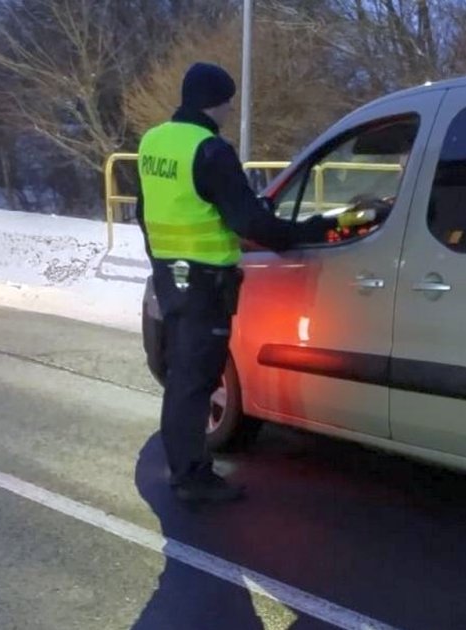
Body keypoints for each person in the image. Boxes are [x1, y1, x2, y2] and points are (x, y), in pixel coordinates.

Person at [137, 62, 373, 503]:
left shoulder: (154, 141)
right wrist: (311, 231)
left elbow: (143, 210)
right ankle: (191, 477)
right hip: (206, 281)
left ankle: (183, 467)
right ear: (217, 103)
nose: (230, 109)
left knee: (183, 377)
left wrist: (162, 262)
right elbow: (250, 223)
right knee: (198, 379)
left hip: (171, 275)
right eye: (228, 102)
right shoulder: (211, 150)